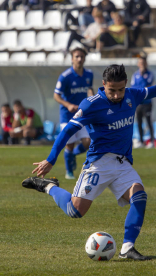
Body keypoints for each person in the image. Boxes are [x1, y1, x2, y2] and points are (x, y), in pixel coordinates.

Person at [22, 64, 156, 260]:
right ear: (103, 85)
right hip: (98, 163)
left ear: (126, 84)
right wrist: (51, 159)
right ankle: (49, 187)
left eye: (120, 90)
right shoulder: (91, 104)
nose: (117, 95)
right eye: (112, 90)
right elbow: (68, 131)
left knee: (139, 196)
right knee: (74, 211)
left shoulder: (132, 95)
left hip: (122, 162)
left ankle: (127, 248)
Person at [54, 47, 94, 180]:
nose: (79, 59)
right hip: (67, 115)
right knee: (69, 144)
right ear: (72, 58)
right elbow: (56, 95)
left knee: (87, 142)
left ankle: (73, 155)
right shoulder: (65, 76)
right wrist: (68, 105)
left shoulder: (89, 74)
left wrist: (92, 98)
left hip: (82, 114)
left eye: (82, 57)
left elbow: (89, 90)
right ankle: (69, 171)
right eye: (77, 56)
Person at [131, 55, 155, 149]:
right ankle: (141, 141)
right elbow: (133, 87)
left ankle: (152, 141)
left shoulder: (149, 74)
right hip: (138, 103)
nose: (142, 65)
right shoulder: (134, 75)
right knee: (139, 122)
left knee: (149, 122)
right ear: (138, 64)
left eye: (143, 63)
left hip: (147, 103)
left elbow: (147, 85)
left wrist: (142, 75)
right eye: (140, 63)